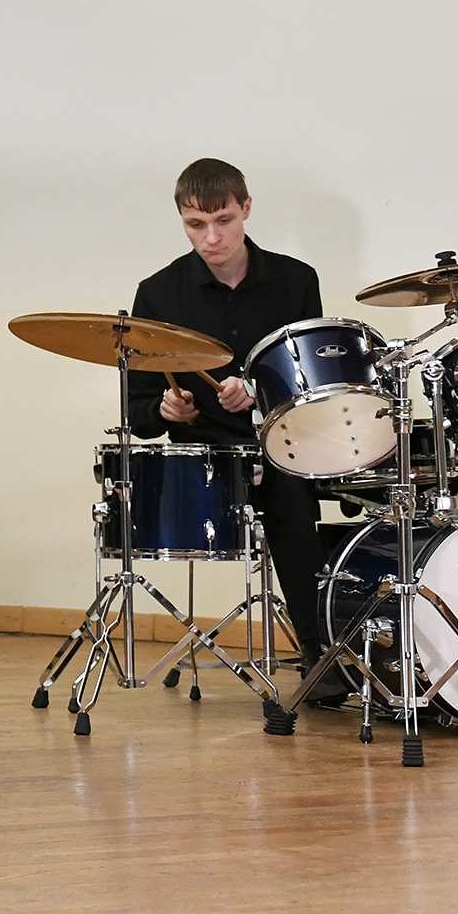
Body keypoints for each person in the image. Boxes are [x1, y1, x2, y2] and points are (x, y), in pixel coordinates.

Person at [124, 158, 341, 700]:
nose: (212, 238)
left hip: (281, 445)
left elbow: (310, 383)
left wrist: (260, 392)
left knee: (292, 495)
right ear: (182, 220)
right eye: (195, 225)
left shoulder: (296, 280)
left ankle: (322, 654)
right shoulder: (158, 294)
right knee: (280, 489)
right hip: (205, 452)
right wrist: (168, 410)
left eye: (223, 220)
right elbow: (138, 409)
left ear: (246, 208)